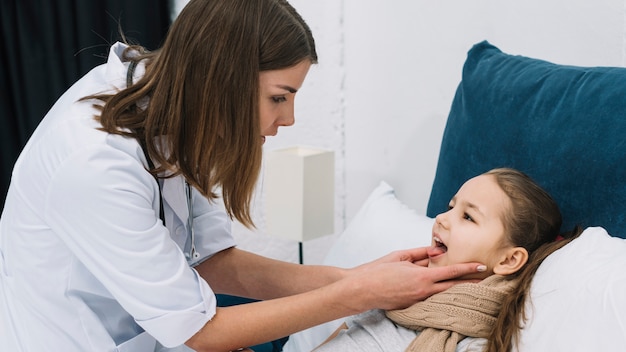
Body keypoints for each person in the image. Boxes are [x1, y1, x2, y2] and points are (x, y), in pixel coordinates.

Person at [0, 1, 486, 351]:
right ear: (222, 80)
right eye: (279, 97)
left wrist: (354, 277)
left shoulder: (174, 110)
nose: (289, 118)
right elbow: (198, 330)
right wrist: (356, 294)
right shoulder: (94, 165)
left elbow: (212, 261)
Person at [314, 168, 583, 352]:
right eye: (451, 207)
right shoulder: (394, 294)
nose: (442, 218)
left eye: (468, 217)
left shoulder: (476, 343)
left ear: (509, 259)